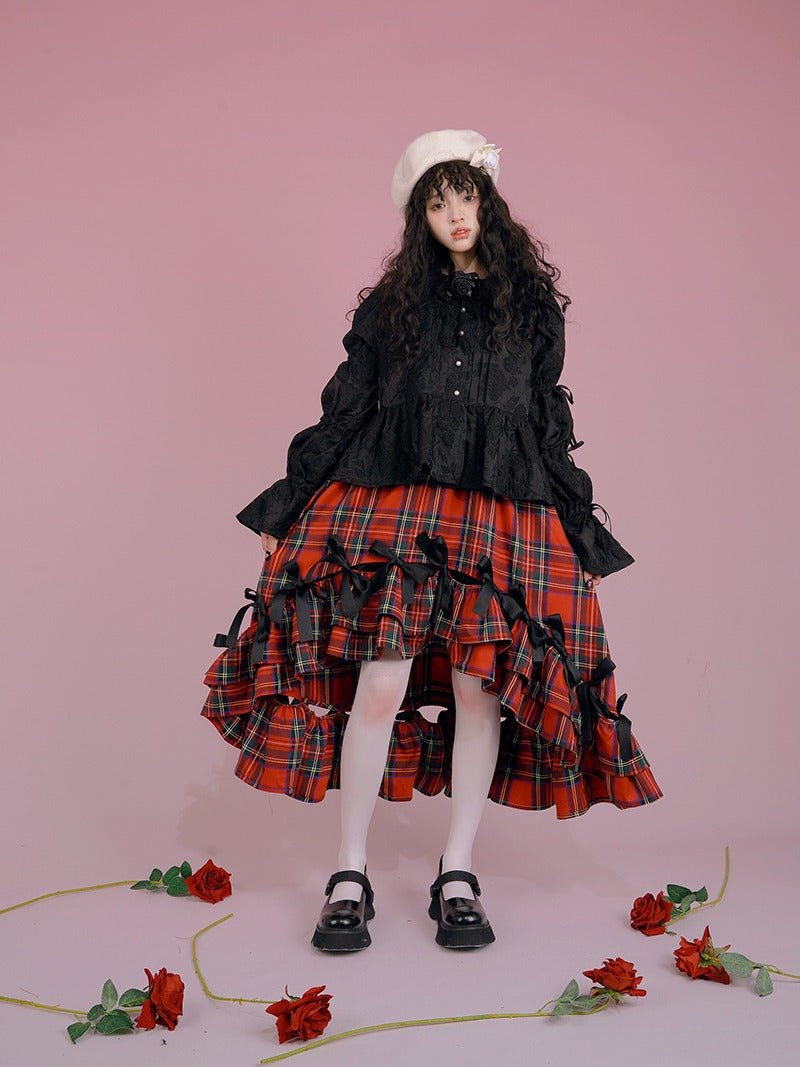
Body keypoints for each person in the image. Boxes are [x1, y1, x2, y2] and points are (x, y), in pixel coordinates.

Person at [201, 129, 663, 953]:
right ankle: (349, 871)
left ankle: (458, 872)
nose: (455, 214)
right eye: (438, 202)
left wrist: (579, 536)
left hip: (498, 514)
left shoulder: (531, 309)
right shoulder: (393, 306)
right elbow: (347, 408)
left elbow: (546, 427)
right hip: (401, 505)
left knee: (480, 689)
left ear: (489, 202)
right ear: (420, 215)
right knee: (380, 683)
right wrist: (287, 505)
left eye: (465, 196)